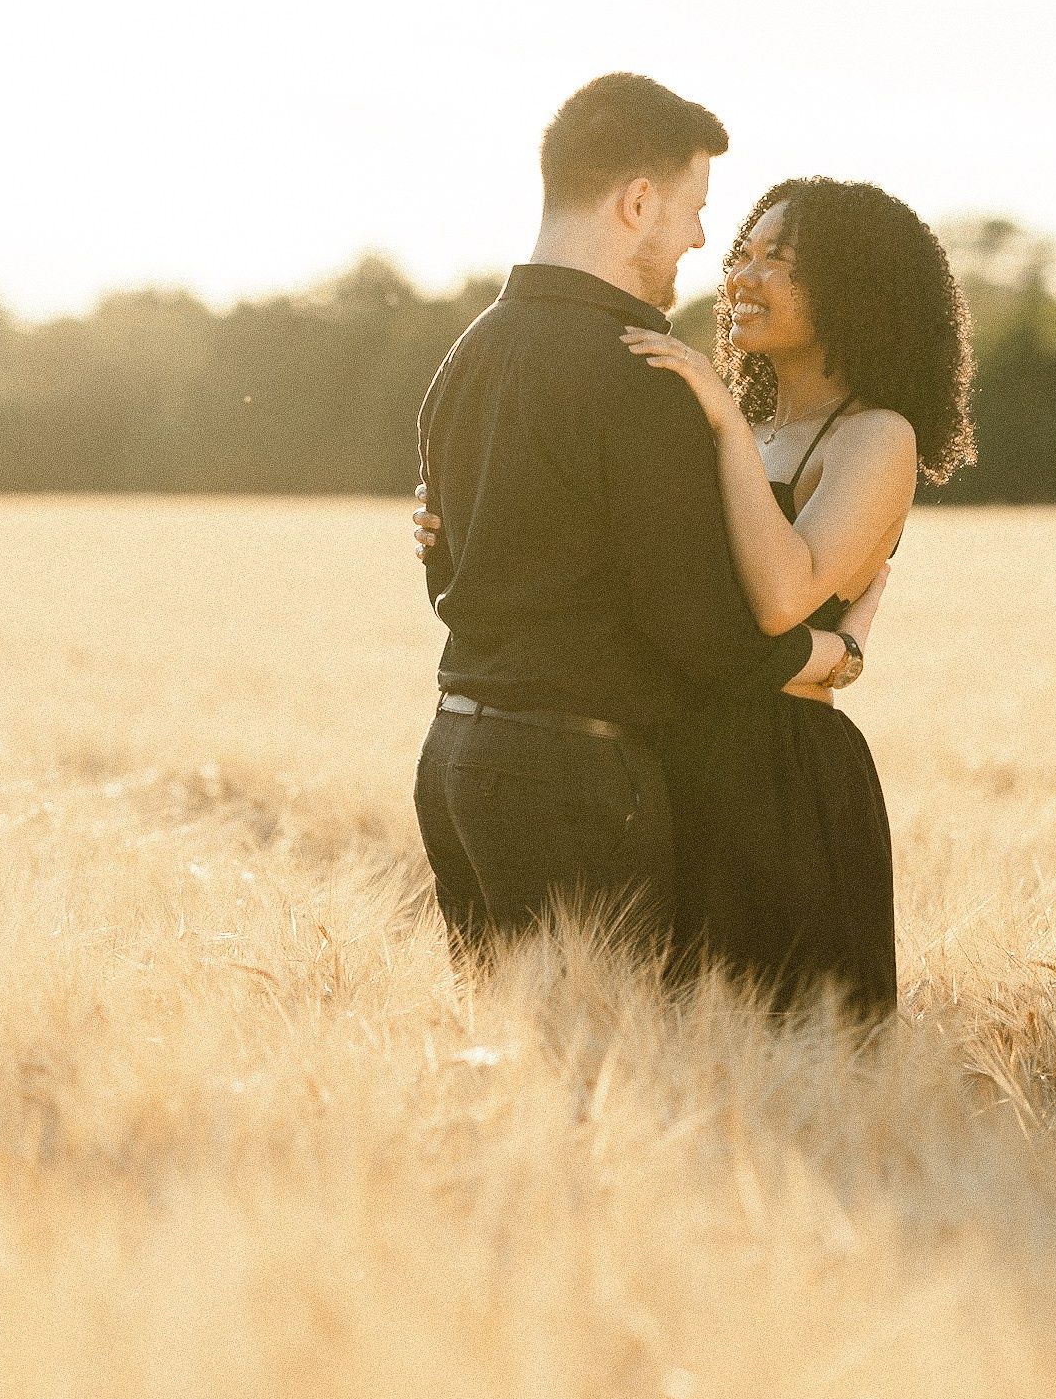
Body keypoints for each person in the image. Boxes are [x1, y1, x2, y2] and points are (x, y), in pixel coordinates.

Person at [411, 75, 878, 968]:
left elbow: (446, 571)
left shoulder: (465, 358)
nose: (703, 238)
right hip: (573, 780)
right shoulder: (640, 375)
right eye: (696, 209)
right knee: (617, 1069)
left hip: (455, 757)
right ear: (637, 202)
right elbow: (698, 633)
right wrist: (834, 655)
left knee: (515, 1070)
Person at [617, 179, 975, 1021]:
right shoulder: (739, 421)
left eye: (781, 261)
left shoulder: (877, 435)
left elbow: (783, 598)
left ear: (857, 287)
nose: (744, 274)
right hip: (676, 769)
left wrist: (725, 428)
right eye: (744, 251)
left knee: (796, 1073)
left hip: (781, 787)